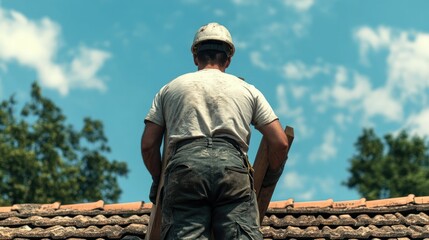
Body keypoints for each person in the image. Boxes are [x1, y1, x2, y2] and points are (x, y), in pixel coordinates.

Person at [141, 22, 289, 240]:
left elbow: (148, 145)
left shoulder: (171, 88)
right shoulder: (248, 91)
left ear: (195, 57)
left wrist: (158, 179)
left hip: (184, 170)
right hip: (233, 170)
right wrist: (269, 178)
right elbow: (280, 143)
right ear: (228, 59)